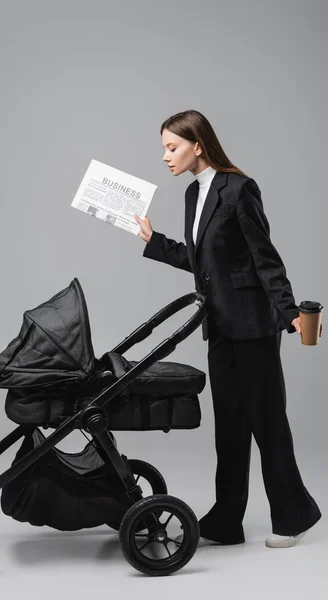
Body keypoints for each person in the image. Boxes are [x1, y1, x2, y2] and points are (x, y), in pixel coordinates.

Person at [135, 110, 322, 549]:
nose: (165, 156)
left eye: (172, 147)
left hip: (254, 325)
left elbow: (264, 256)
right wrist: (152, 240)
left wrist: (289, 309)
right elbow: (204, 263)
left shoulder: (238, 188)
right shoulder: (190, 195)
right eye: (164, 147)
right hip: (217, 324)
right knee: (230, 426)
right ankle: (226, 520)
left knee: (268, 422)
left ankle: (293, 516)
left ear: (197, 145)